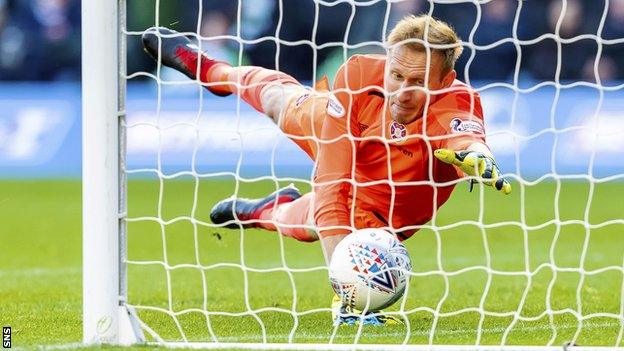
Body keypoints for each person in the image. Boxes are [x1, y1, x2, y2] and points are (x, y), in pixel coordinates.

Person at [142, 14, 511, 325]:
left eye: (418, 82)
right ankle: (212, 69)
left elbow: (464, 138)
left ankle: (266, 210)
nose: (402, 91)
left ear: (444, 81)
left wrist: (477, 155)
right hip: (341, 140)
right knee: (278, 99)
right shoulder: (358, 77)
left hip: (391, 207)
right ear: (387, 61)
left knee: (307, 224)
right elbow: (333, 184)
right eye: (396, 75)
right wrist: (348, 293)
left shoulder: (457, 99)